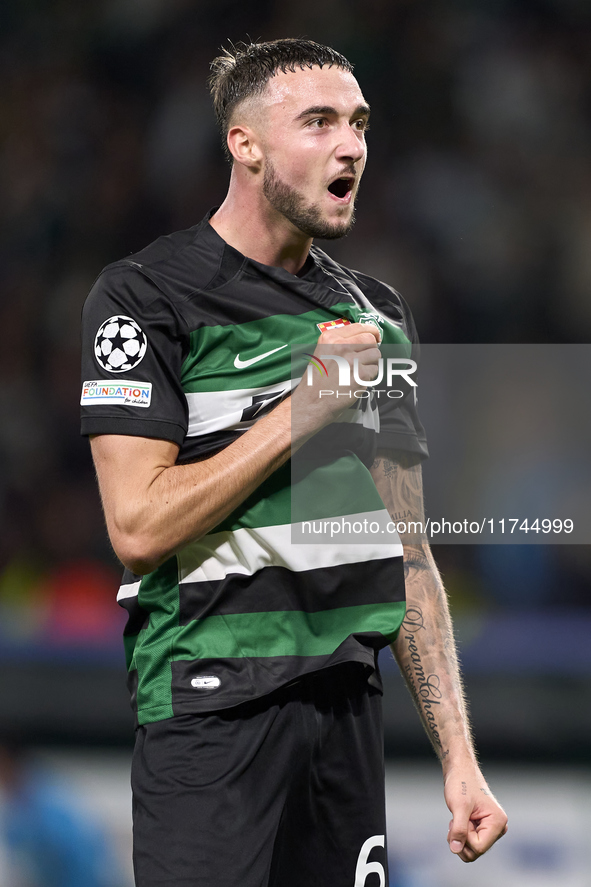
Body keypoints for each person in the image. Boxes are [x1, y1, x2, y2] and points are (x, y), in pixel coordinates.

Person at [80, 38, 507, 887]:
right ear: (245, 144)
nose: (350, 145)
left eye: (357, 124)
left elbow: (406, 550)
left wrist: (460, 757)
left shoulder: (374, 317)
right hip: (207, 706)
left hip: (344, 713)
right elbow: (135, 525)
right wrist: (302, 412)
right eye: (318, 122)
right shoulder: (145, 297)